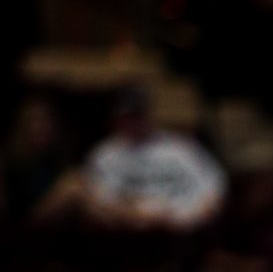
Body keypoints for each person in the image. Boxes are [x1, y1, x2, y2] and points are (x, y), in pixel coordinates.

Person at [55, 85, 227, 233]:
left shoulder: (182, 147)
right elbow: (100, 199)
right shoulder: (105, 153)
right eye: (127, 117)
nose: (133, 123)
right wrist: (132, 215)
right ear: (116, 119)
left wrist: (182, 219)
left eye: (138, 115)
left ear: (150, 114)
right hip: (124, 235)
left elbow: (213, 189)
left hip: (180, 229)